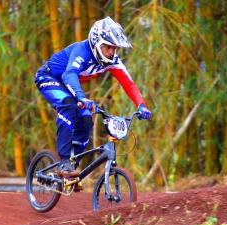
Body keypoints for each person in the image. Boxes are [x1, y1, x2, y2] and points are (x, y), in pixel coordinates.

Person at [34, 16, 151, 175]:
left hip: (68, 85)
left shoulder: (113, 61)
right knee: (69, 105)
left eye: (114, 48)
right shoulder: (82, 51)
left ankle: (72, 164)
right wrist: (81, 97)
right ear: (96, 42)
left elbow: (129, 84)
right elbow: (69, 74)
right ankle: (63, 161)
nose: (111, 52)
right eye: (107, 47)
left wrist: (141, 105)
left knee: (86, 119)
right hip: (48, 77)